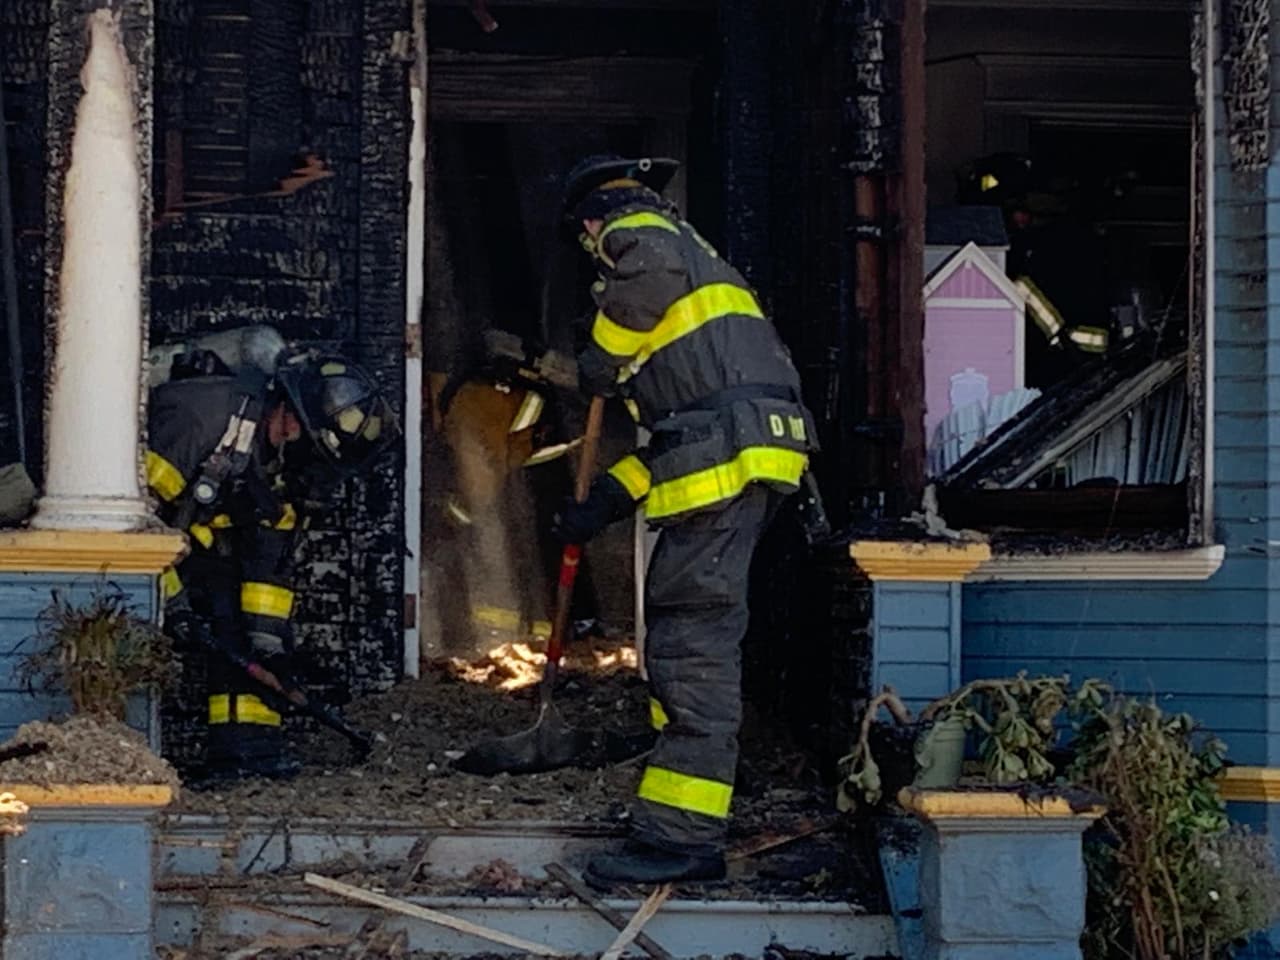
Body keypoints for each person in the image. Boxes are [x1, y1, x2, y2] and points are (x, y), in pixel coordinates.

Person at [551, 155, 820, 886]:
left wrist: (600, 360)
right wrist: (602, 504)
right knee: (686, 633)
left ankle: (681, 837)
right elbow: (676, 436)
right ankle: (672, 801)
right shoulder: (706, 313)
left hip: (727, 457)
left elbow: (646, 276)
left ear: (591, 222)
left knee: (691, 641)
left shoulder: (639, 231)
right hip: (732, 453)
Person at [146, 346, 398, 781]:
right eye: (315, 452)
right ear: (291, 417)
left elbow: (268, 567)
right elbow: (134, 527)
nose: (314, 469)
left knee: (236, 627)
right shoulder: (199, 422)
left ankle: (248, 753)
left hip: (197, 542)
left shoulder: (283, 465)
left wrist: (270, 650)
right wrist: (175, 603)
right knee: (199, 620)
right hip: (143, 546)